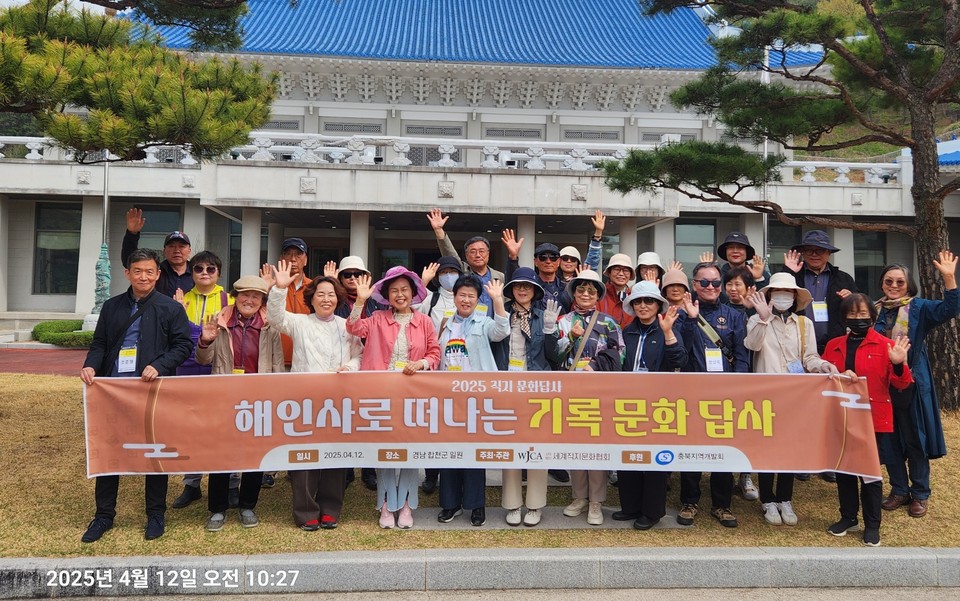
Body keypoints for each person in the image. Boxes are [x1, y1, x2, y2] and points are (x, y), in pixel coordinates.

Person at [79, 248, 193, 543]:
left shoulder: (170, 308)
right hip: (113, 392)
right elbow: (100, 344)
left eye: (150, 272)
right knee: (110, 453)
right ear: (127, 273)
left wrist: (159, 365)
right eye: (138, 271)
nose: (144, 276)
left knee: (154, 453)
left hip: (152, 392)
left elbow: (182, 347)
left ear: (158, 274)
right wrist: (90, 366)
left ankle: (156, 514)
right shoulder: (112, 306)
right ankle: (104, 515)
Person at [266, 262, 364, 531]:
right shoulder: (300, 323)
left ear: (338, 299)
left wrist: (351, 367)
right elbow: (275, 318)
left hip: (338, 401)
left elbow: (359, 355)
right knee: (304, 456)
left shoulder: (347, 326)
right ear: (311, 298)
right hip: (305, 401)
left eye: (331, 294)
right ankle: (306, 510)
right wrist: (279, 288)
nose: (326, 299)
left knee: (335, 455)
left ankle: (331, 508)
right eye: (320, 294)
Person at [346, 266, 441, 529]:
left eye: (405, 290)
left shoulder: (424, 321)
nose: (400, 295)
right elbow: (353, 327)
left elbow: (434, 353)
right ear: (387, 295)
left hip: (413, 396)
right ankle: (387, 503)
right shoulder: (376, 318)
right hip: (381, 395)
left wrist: (420, 363)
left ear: (413, 293)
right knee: (385, 451)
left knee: (410, 450)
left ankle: (408, 504)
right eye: (394, 291)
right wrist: (360, 301)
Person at [744, 272, 839, 526]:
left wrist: (823, 365)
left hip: (795, 396)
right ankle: (767, 500)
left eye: (787, 292)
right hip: (765, 395)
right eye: (777, 292)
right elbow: (751, 346)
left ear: (795, 296)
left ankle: (784, 498)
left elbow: (809, 357)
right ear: (770, 296)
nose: (783, 296)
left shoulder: (803, 324)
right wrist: (764, 320)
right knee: (766, 448)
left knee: (789, 448)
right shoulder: (756, 319)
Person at [822, 293, 913, 547]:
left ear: (873, 317)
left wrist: (898, 364)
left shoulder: (886, 345)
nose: (858, 319)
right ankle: (848, 517)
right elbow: (823, 380)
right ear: (844, 319)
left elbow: (903, 383)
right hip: (840, 417)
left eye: (863, 315)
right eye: (852, 315)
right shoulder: (834, 345)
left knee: (870, 473)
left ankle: (873, 525)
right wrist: (839, 374)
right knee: (844, 469)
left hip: (873, 419)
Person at [195, 275, 284, 532]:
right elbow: (203, 360)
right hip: (225, 399)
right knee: (222, 454)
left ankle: (247, 505)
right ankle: (218, 509)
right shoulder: (220, 322)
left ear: (262, 301)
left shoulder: (270, 326)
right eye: (244, 295)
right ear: (235, 296)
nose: (249, 300)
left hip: (259, 399)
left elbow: (277, 365)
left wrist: (276, 398)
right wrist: (206, 340)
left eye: (256, 296)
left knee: (255, 454)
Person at [874, 251, 958, 518]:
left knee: (915, 438)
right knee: (890, 438)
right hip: (883, 385)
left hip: (912, 383)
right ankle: (899, 490)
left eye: (900, 282)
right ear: (882, 284)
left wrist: (949, 278)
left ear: (909, 285)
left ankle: (920, 494)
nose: (894, 286)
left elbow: (950, 309)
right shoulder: (875, 310)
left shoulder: (919, 307)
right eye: (889, 282)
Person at [677, 262, 749, 528]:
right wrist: (692, 319)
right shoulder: (683, 314)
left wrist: (736, 386)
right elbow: (680, 352)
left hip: (724, 393)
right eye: (704, 282)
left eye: (715, 283)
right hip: (692, 392)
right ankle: (690, 500)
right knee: (691, 448)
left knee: (723, 449)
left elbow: (742, 356)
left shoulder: (734, 315)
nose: (710, 287)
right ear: (694, 284)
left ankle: (722, 504)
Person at [435, 275, 510, 527]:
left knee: (474, 453)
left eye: (471, 296)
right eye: (462, 295)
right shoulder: (445, 323)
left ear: (478, 299)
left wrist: (498, 300)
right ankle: (450, 504)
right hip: (448, 399)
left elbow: (501, 331)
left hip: (477, 399)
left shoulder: (484, 321)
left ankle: (476, 505)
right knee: (448, 452)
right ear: (454, 297)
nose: (466, 300)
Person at [614, 281, 687, 530]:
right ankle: (630, 506)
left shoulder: (667, 327)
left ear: (658, 305)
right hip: (628, 403)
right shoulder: (626, 331)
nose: (643, 306)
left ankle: (652, 511)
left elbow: (680, 360)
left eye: (649, 301)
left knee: (655, 460)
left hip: (659, 404)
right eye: (638, 302)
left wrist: (667, 333)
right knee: (627, 456)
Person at [555, 269, 625, 526]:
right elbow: (554, 354)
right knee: (575, 445)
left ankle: (596, 501)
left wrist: (594, 365)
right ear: (573, 293)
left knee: (596, 447)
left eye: (591, 291)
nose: (585, 294)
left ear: (598, 295)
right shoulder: (563, 320)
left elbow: (620, 355)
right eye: (581, 290)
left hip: (599, 392)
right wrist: (571, 338)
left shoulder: (609, 322)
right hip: (571, 391)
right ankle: (578, 497)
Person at [171, 250, 238, 510]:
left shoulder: (230, 300)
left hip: (219, 367)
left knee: (226, 426)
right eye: (199, 269)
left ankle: (231, 483)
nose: (205, 273)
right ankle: (192, 483)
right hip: (187, 368)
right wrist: (176, 313)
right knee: (191, 427)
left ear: (218, 273)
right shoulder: (179, 300)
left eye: (211, 269)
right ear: (192, 272)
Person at [494, 267, 561, 527]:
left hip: (536, 388)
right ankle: (512, 504)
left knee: (536, 446)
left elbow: (554, 357)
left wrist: (550, 331)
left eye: (528, 286)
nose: (523, 290)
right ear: (511, 290)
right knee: (510, 445)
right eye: (518, 286)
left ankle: (534, 504)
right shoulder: (500, 313)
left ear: (535, 291)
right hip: (507, 387)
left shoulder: (545, 315)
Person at [327, 254, 381, 491]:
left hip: (370, 366)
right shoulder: (333, 300)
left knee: (369, 419)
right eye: (347, 275)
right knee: (343, 418)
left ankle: (369, 469)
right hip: (340, 366)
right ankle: (346, 468)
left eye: (357, 274)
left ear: (365, 277)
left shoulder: (377, 301)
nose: (352, 278)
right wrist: (327, 282)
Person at [782, 230, 858, 353]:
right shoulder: (793, 276)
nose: (814, 254)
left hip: (834, 345)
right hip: (796, 345)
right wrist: (788, 272)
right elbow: (776, 300)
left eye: (820, 250)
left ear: (829, 253)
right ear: (803, 253)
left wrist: (851, 299)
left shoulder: (843, 278)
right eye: (809, 250)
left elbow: (858, 308)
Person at [427, 208, 504, 311]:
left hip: (494, 325)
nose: (477, 255)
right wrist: (438, 231)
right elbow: (450, 254)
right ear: (467, 255)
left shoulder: (499, 276)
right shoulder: (463, 272)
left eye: (481, 251)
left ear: (488, 254)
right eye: (473, 251)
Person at [121, 207, 193, 297]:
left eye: (181, 246)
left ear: (189, 250)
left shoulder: (198, 271)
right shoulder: (156, 271)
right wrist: (132, 234)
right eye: (171, 246)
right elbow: (130, 261)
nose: (177, 250)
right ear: (164, 251)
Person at [277, 237, 311, 368]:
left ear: (306, 260)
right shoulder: (274, 288)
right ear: (281, 258)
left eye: (298, 254)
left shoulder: (314, 288)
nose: (293, 259)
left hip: (307, 359)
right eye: (288, 254)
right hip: (278, 359)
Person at [558, 209, 605, 282]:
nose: (569, 261)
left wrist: (598, 232)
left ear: (578, 263)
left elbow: (593, 258)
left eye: (573, 259)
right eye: (565, 258)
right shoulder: (551, 279)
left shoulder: (585, 275)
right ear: (558, 261)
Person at [597, 253, 635, 330]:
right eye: (617, 269)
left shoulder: (634, 297)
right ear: (609, 272)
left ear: (630, 275)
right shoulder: (599, 294)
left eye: (626, 270)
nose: (621, 274)